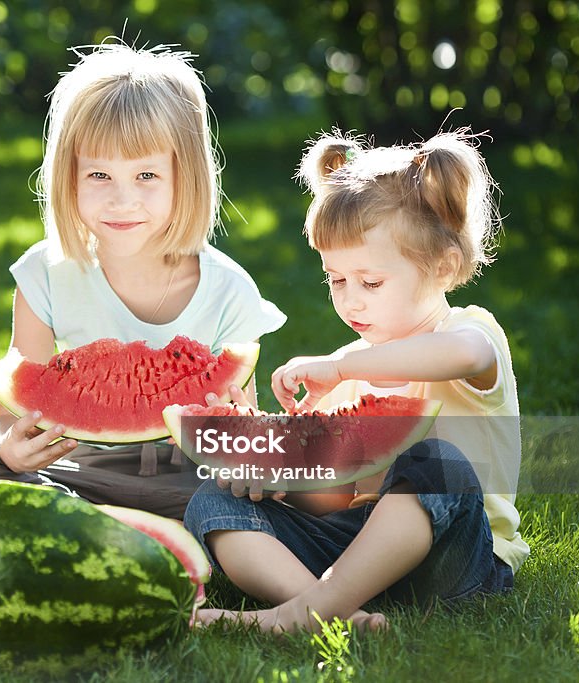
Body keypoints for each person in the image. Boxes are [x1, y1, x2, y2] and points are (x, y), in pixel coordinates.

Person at [183, 129, 528, 632]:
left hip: (457, 561)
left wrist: (345, 368)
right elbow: (336, 492)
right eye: (335, 280)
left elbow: (459, 355)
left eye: (370, 282)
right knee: (210, 501)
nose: (350, 300)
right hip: (355, 556)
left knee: (438, 462)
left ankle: (300, 614)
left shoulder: (471, 333)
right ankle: (334, 611)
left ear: (443, 267)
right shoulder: (347, 365)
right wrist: (276, 476)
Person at [0, 41, 285, 519]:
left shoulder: (229, 291)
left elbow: (241, 420)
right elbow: (10, 413)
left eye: (146, 175)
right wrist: (7, 448)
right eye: (99, 174)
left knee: (289, 489)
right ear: (67, 177)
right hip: (74, 474)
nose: (122, 201)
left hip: (191, 484)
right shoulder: (44, 275)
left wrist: (245, 457)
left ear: (187, 177)